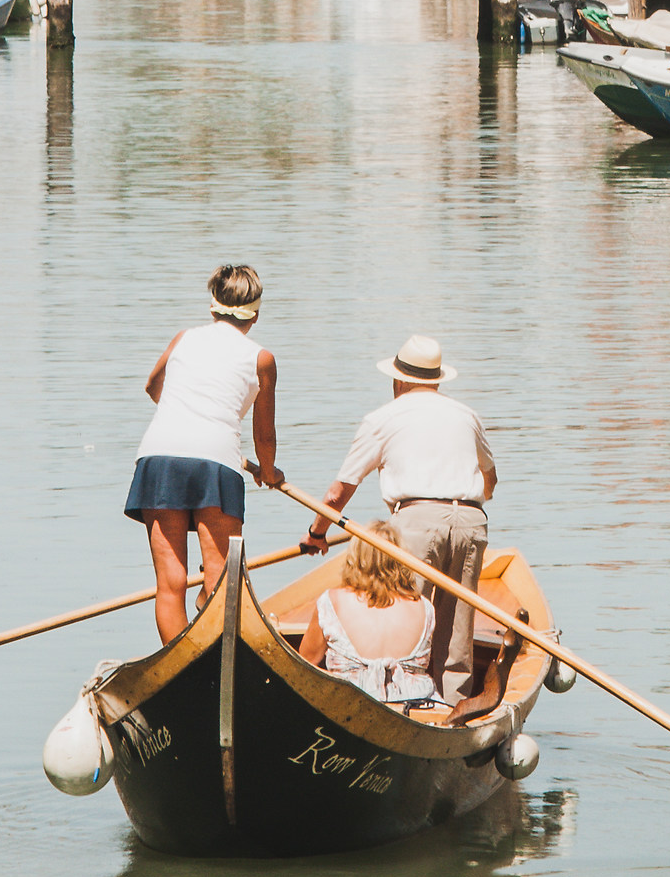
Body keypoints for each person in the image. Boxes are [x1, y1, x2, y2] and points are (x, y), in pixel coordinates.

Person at [302, 333, 495, 702]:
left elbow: (338, 493)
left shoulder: (382, 418)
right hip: (472, 520)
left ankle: (397, 700)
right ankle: (451, 708)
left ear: (399, 380)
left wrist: (316, 533)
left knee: (405, 614)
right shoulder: (467, 415)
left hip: (416, 522)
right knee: (457, 623)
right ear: (438, 379)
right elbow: (490, 478)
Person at [127, 265, 281, 645]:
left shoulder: (184, 338)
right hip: (217, 462)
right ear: (256, 315)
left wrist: (185, 413)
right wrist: (269, 471)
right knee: (220, 581)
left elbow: (152, 387)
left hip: (159, 457)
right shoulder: (261, 358)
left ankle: (179, 667)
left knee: (170, 581)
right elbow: (264, 434)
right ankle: (215, 658)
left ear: (212, 309)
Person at [297, 524, 437, 707]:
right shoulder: (424, 606)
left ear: (355, 558)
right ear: (401, 560)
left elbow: (305, 665)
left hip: (349, 704)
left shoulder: (332, 600)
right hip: (415, 705)